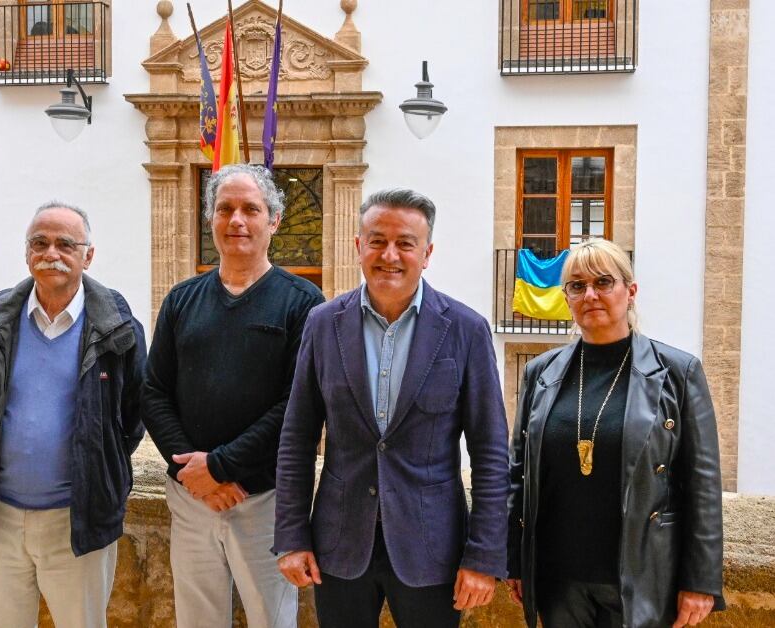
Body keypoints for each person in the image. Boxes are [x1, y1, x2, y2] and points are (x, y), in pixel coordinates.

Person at [274, 188, 510, 628]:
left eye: (405, 243)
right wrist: (291, 537)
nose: (390, 255)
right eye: (377, 240)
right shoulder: (323, 324)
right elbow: (297, 438)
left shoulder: (465, 330)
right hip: (339, 545)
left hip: (433, 548)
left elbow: (492, 454)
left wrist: (484, 555)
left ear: (427, 253)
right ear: (358, 246)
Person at [506, 238, 726, 628]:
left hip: (642, 579)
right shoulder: (540, 373)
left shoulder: (678, 372)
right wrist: (515, 559)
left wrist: (700, 580)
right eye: (577, 285)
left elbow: (702, 484)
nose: (590, 294)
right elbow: (518, 474)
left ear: (631, 291)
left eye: (603, 282)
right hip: (559, 581)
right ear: (566, 297)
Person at [141, 164, 324, 628]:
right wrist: (194, 475)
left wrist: (220, 467)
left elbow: (298, 406)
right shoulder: (182, 299)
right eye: (225, 209)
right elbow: (154, 391)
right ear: (211, 220)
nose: (236, 220)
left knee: (271, 620)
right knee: (197, 620)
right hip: (191, 498)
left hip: (264, 498)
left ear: (274, 221)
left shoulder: (304, 303)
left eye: (250, 209)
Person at [0, 202, 147, 627]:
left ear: (88, 255)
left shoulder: (117, 328)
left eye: (66, 244)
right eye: (40, 243)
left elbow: (131, 418)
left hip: (77, 521)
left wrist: (97, 471)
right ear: (27, 253)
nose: (51, 253)